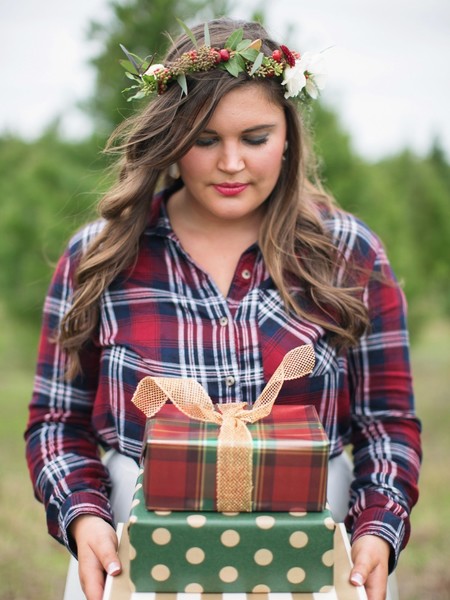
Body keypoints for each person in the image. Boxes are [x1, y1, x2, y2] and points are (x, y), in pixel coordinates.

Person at [25, 16, 421, 600]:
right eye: (205, 140)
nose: (231, 163)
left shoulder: (348, 253)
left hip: (314, 548)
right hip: (139, 553)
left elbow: (386, 423)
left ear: (288, 136)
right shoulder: (101, 257)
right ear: (170, 139)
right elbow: (58, 422)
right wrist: (85, 517)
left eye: (255, 138)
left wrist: (378, 531)